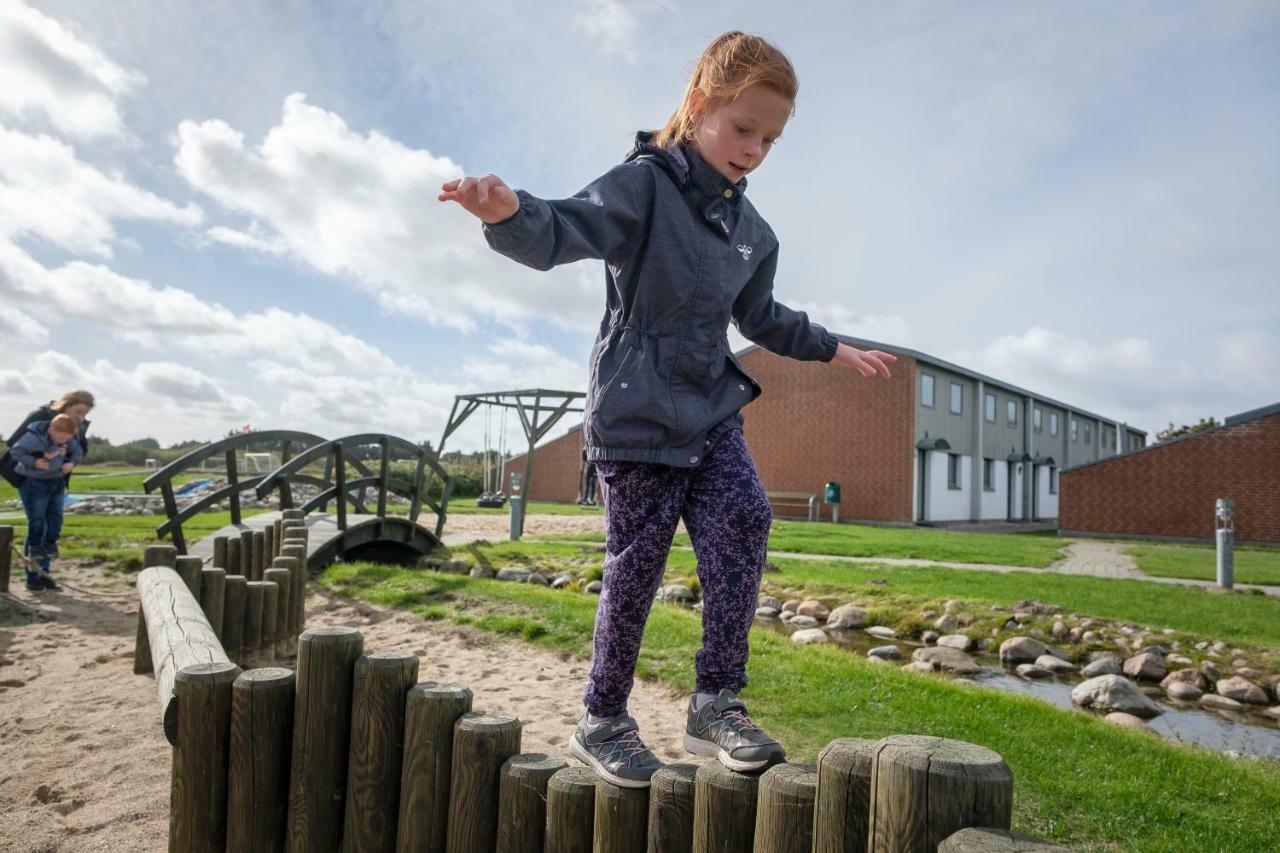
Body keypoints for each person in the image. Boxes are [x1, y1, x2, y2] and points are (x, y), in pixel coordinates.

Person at [440, 32, 895, 788]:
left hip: (710, 411)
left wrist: (831, 347)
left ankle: (716, 700)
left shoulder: (753, 234)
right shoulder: (644, 185)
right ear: (697, 105)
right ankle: (602, 717)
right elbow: (565, 227)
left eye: (770, 139)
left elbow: (763, 318)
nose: (754, 148)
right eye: (743, 127)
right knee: (638, 565)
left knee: (747, 517)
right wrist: (507, 212)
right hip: (637, 413)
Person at [9, 414, 84, 591]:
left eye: (66, 439)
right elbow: (16, 451)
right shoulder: (33, 437)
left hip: (56, 481)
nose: (62, 441)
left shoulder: (67, 439)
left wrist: (71, 463)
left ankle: (51, 543)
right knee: (37, 519)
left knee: (56, 516)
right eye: (59, 438)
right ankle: (35, 548)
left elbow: (78, 451)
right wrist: (35, 462)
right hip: (35, 482)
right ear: (51, 430)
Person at [1, 389, 94, 489]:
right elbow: (15, 442)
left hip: (56, 478)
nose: (80, 417)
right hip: (30, 477)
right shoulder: (41, 416)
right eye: (78, 411)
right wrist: (43, 454)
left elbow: (82, 449)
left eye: (84, 414)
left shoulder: (77, 425)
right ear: (67, 404)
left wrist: (70, 459)